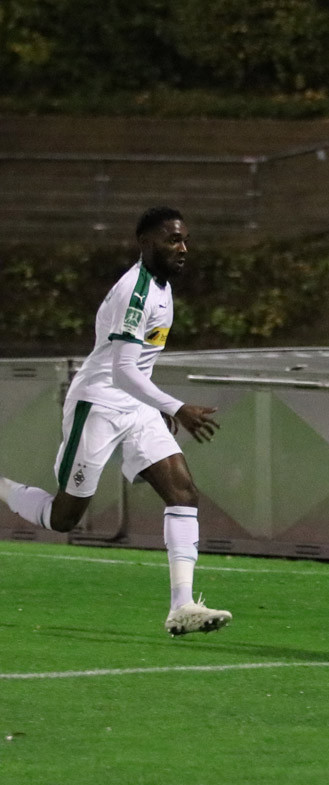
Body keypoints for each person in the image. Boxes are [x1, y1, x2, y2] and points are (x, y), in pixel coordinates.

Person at [0, 207, 232, 637]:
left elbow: (136, 367)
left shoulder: (161, 286)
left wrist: (154, 405)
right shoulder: (135, 293)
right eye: (173, 240)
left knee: (183, 493)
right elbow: (122, 371)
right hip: (98, 406)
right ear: (145, 243)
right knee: (64, 517)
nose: (183, 248)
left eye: (184, 239)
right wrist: (175, 406)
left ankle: (182, 606)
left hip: (134, 407)